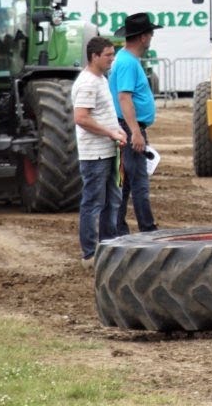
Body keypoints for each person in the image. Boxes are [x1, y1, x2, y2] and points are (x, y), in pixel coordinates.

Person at [71, 36, 127, 269]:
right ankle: (90, 254)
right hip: (95, 155)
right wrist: (110, 132)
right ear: (94, 56)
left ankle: (108, 248)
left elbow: (100, 115)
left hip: (107, 151)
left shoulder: (101, 79)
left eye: (113, 54)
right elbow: (81, 118)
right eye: (108, 55)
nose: (112, 59)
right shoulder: (87, 83)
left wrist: (116, 132)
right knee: (94, 203)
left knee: (112, 201)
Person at [111, 12, 160, 236]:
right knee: (138, 181)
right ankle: (147, 229)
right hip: (130, 127)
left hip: (127, 126)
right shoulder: (128, 63)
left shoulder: (125, 59)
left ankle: (119, 229)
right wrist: (135, 133)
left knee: (127, 182)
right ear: (143, 37)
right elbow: (124, 97)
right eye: (150, 34)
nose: (151, 38)